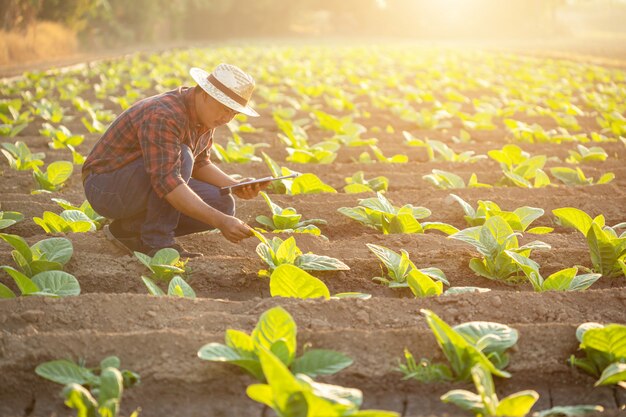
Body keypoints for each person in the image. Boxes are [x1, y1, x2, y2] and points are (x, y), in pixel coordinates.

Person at [82, 63, 268, 258]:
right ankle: (157, 242)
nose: (227, 118)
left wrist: (235, 185)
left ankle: (127, 232)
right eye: (225, 109)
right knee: (183, 156)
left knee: (221, 203)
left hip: (138, 181)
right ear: (205, 93)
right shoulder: (165, 114)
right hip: (105, 187)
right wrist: (221, 222)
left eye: (233, 113)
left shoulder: (205, 116)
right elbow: (167, 181)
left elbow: (200, 163)